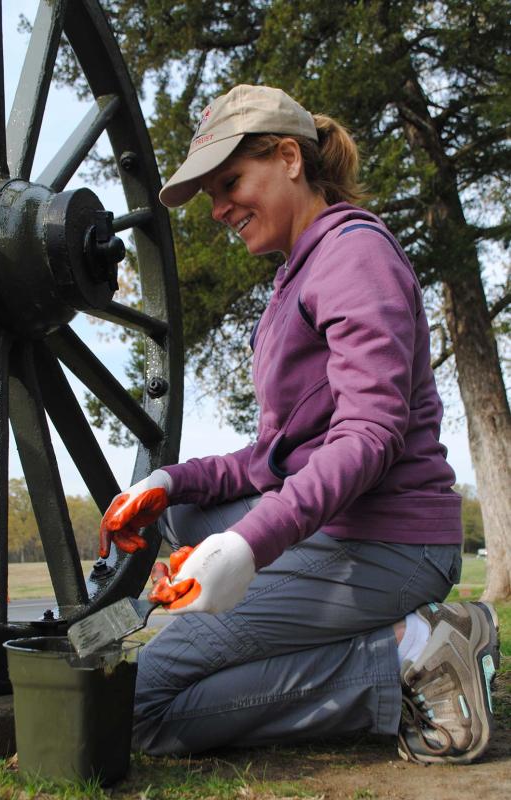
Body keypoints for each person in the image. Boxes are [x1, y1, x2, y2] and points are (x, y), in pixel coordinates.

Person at [98, 85, 499, 764]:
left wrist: (250, 546)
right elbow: (269, 458)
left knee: (140, 709)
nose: (220, 210)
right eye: (211, 196)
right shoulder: (296, 277)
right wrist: (170, 481)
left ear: (288, 157)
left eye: (230, 183)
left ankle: (405, 658)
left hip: (387, 544)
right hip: (346, 531)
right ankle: (382, 638)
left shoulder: (351, 255)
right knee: (183, 518)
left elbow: (369, 435)